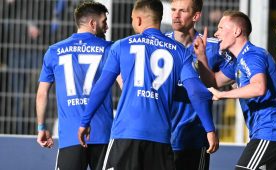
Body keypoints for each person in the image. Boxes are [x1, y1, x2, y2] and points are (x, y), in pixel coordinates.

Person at [77, 1, 218, 170]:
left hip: (126, 134)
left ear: (137, 19)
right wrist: (210, 129)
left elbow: (101, 87)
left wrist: (85, 122)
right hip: (161, 138)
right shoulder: (179, 51)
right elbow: (197, 92)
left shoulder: (121, 45)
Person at [197, 11, 276, 170]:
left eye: (221, 28)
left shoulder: (252, 55)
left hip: (270, 133)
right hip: (266, 134)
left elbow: (258, 87)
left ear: (236, 31)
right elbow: (213, 81)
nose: (216, 33)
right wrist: (201, 57)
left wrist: (223, 95)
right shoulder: (238, 61)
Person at [36, 2, 113, 170]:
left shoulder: (54, 51)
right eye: (104, 21)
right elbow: (125, 85)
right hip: (102, 134)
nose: (106, 27)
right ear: (93, 24)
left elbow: (42, 93)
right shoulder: (109, 50)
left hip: (70, 136)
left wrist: (41, 127)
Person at [166, 0, 225, 169]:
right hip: (162, 137)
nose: (176, 15)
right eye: (173, 10)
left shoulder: (213, 48)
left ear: (196, 16)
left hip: (194, 139)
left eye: (182, 11)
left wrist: (227, 89)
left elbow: (237, 74)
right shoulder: (160, 46)